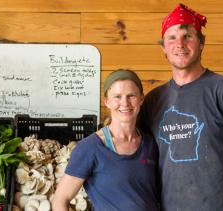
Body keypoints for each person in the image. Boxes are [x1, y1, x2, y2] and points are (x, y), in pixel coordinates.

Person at [138, 3, 223, 211]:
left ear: (201, 43)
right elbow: (134, 159)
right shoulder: (153, 102)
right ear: (163, 48)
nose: (180, 43)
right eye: (172, 38)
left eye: (188, 36)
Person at [52, 69, 159, 211]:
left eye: (131, 96)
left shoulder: (150, 144)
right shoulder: (90, 148)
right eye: (117, 97)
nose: (125, 103)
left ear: (141, 99)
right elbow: (60, 201)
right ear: (106, 101)